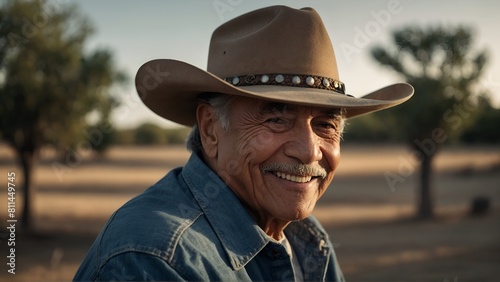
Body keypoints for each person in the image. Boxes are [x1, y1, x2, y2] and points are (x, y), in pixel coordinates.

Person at [74, 5, 413, 281]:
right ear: (210, 129)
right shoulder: (154, 257)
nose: (309, 151)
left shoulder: (305, 236)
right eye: (276, 119)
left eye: (325, 124)